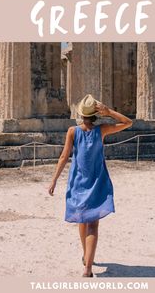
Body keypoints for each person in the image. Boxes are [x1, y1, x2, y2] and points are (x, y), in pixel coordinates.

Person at [48, 94, 133, 277]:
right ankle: (87, 267)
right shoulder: (101, 130)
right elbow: (127, 123)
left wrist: (54, 179)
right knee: (93, 224)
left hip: (78, 181)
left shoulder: (72, 131)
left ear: (80, 114)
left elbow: (64, 157)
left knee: (82, 219)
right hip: (97, 181)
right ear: (95, 114)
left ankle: (87, 257)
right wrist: (108, 111)